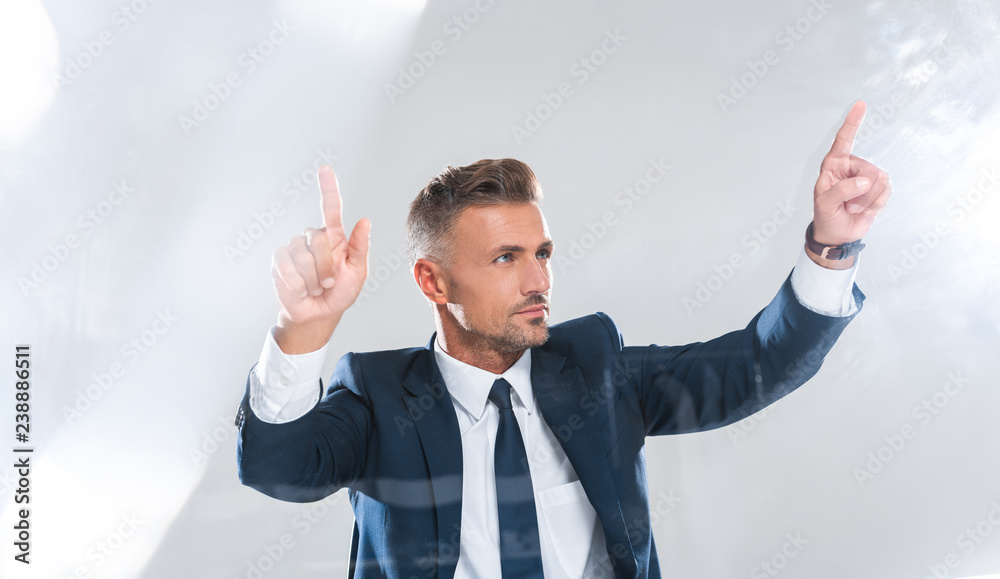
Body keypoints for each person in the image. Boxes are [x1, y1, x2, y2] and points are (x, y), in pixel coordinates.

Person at [234, 101, 891, 578]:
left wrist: (832, 246)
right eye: (505, 257)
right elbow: (276, 467)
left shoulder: (596, 369)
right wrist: (305, 329)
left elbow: (759, 363)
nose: (538, 277)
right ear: (433, 281)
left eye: (542, 251)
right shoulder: (379, 398)